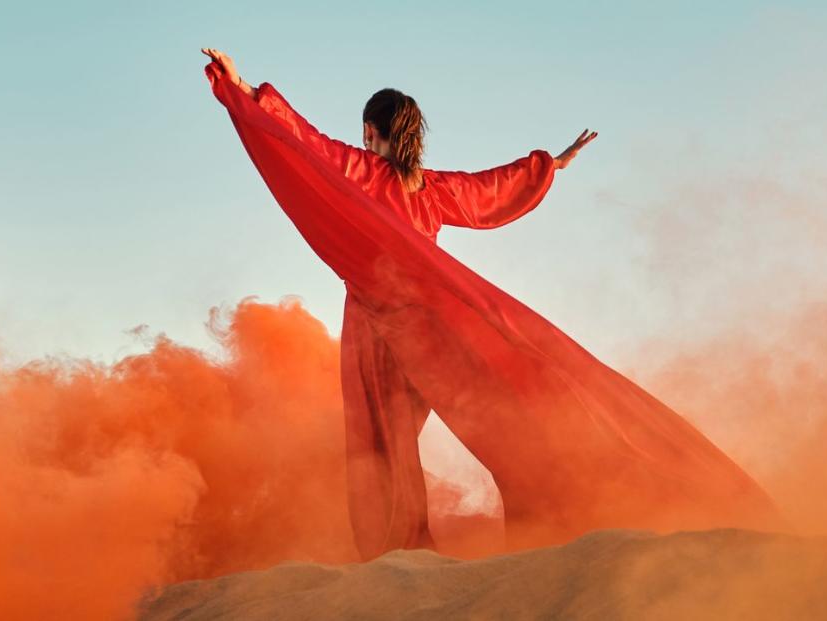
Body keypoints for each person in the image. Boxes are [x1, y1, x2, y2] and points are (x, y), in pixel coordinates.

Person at [202, 48, 783, 561]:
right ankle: (501, 526)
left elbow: (302, 140)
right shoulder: (431, 189)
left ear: (375, 132)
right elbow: (489, 191)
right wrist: (549, 166)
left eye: (365, 132)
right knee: (487, 420)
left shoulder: (364, 171)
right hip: (435, 330)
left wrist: (242, 88)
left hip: (383, 327)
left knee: (385, 444)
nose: (361, 141)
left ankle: (398, 551)